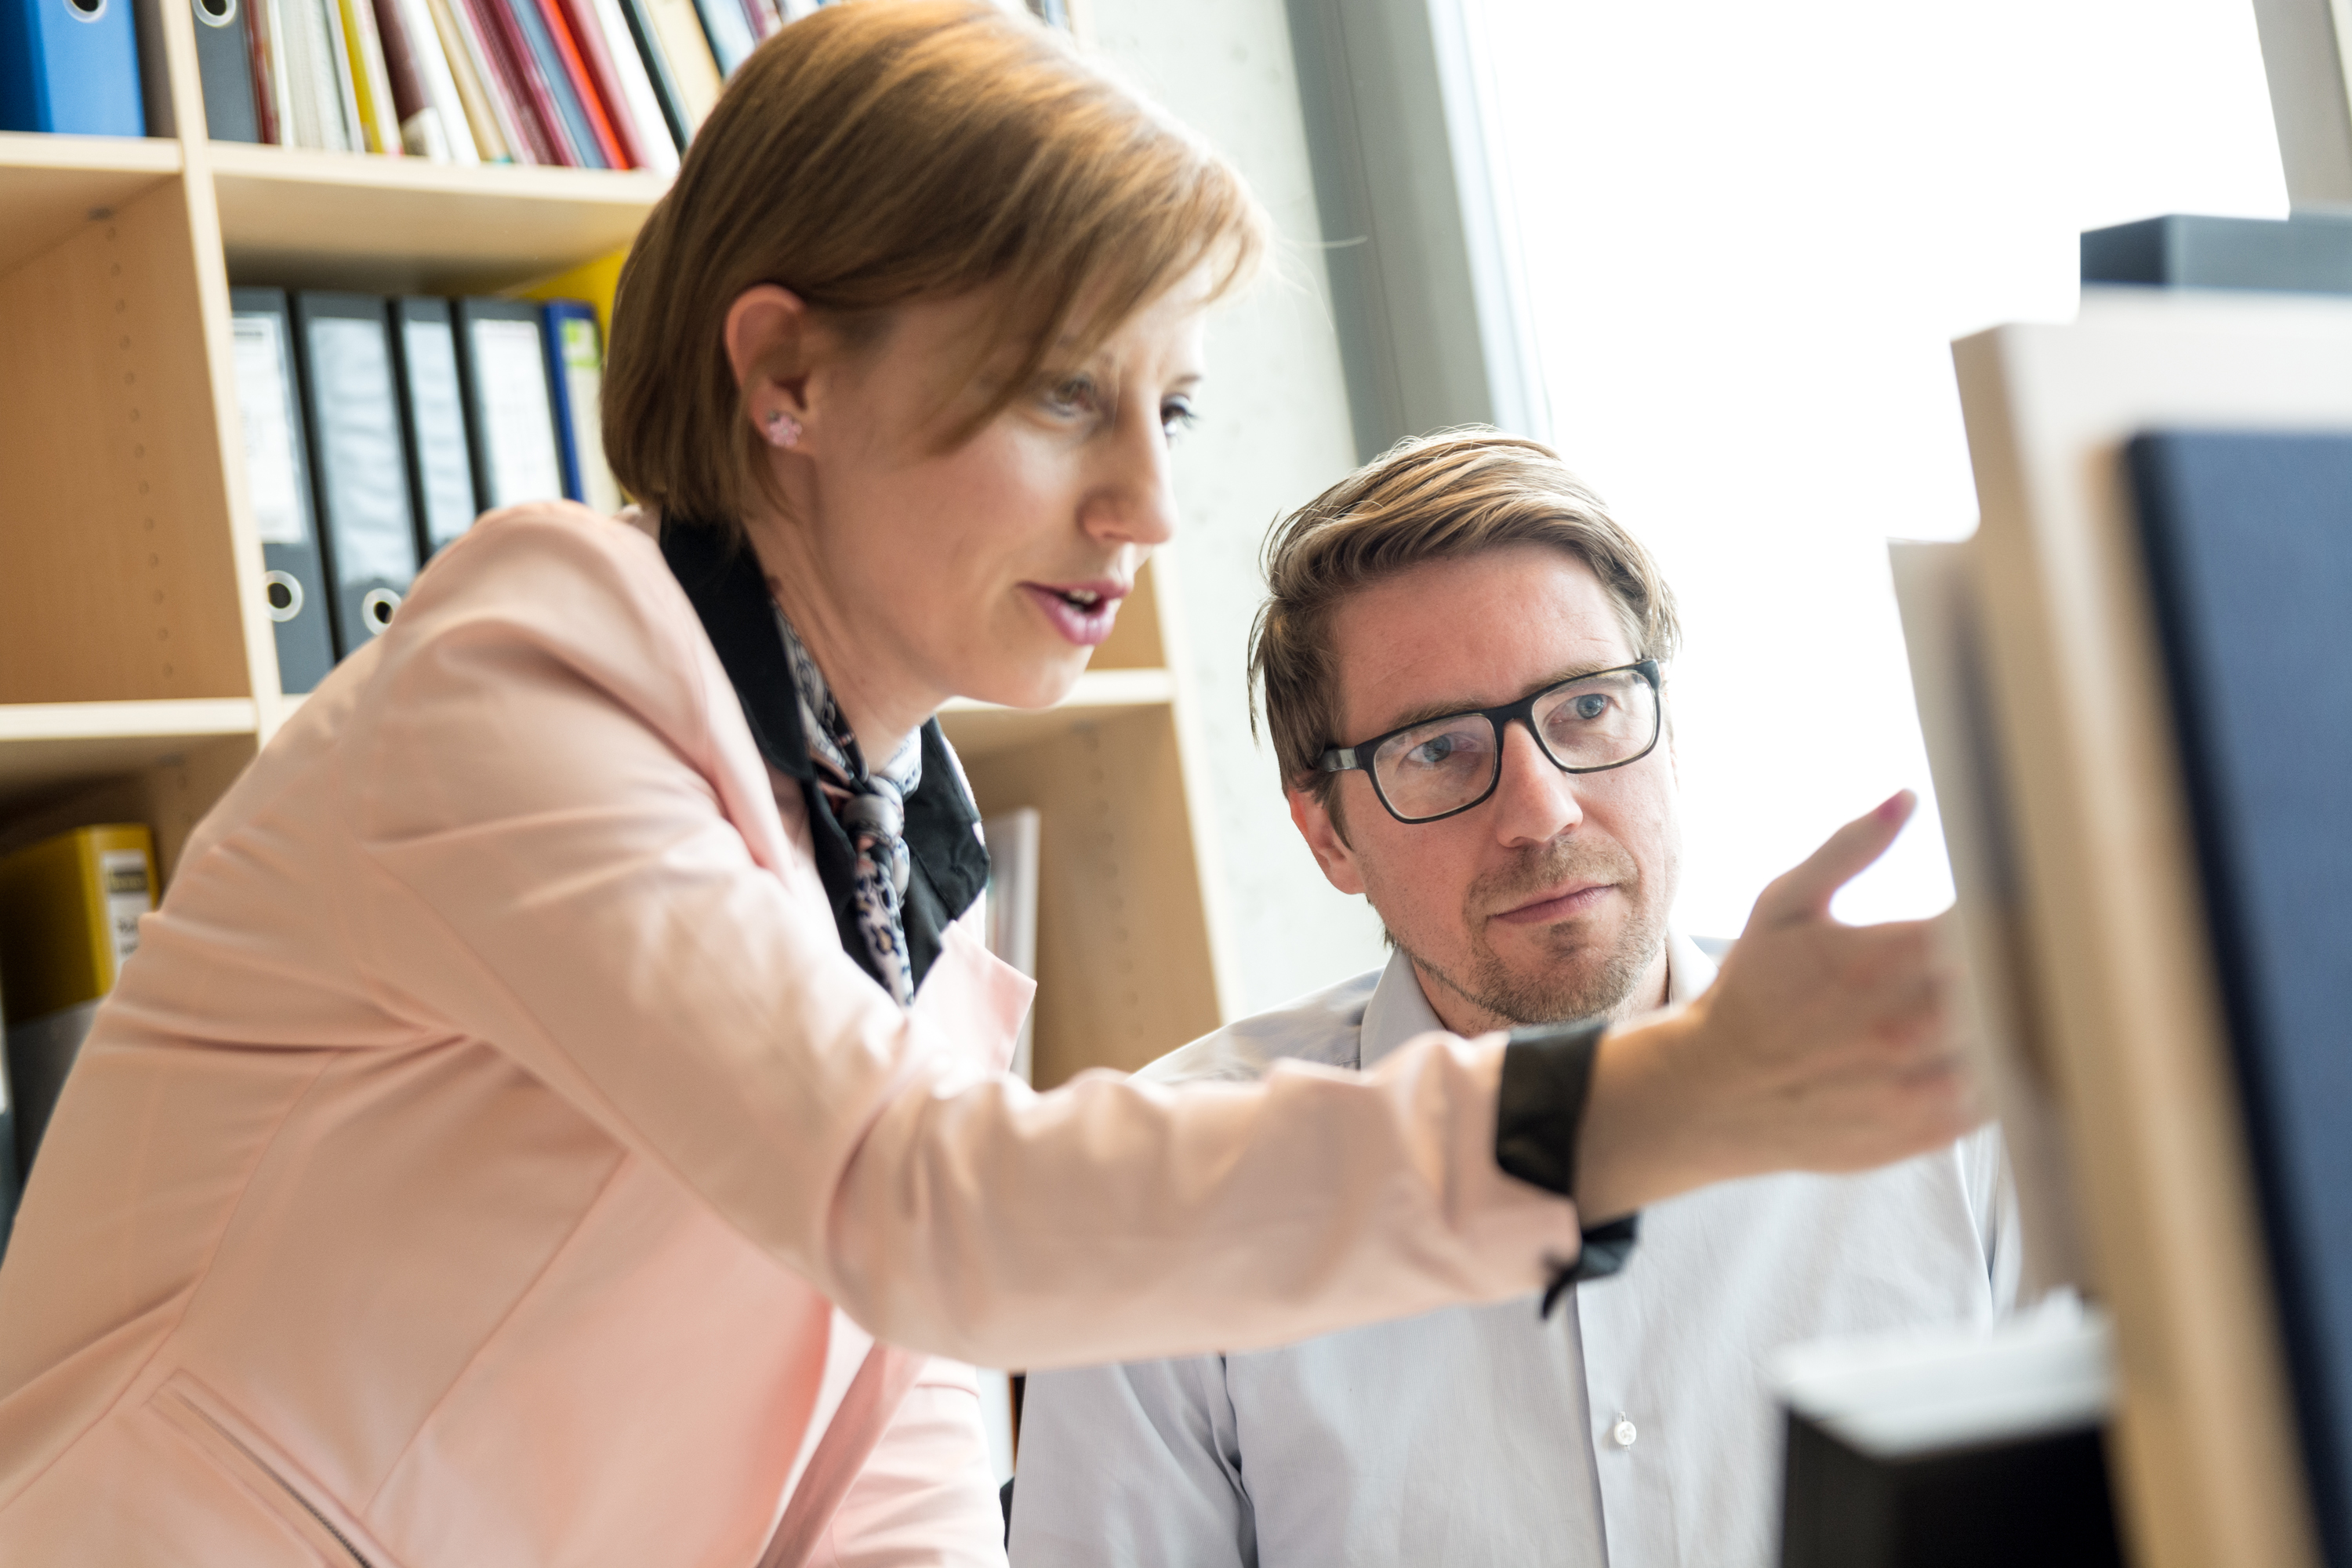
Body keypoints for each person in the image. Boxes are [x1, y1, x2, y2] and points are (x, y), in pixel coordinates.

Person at [0, 9, 1970, 1566]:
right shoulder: (526, 692)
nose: (1150, 501)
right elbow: (926, 1211)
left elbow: (898, 1463)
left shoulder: (895, 866)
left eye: (1170, 403)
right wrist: (1648, 1105)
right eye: (1060, 393)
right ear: (786, 374)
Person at [1011, 432, 2016, 1568]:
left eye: (1586, 709)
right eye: (1437, 749)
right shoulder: (1175, 1187)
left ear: (1667, 736)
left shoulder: (1943, 1095)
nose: (1542, 813)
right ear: (1326, 831)